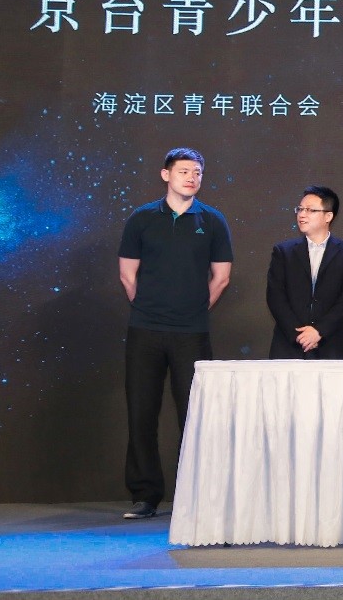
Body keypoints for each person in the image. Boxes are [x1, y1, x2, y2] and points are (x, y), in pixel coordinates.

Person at [116, 147, 232, 520]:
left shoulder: (212, 220)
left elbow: (221, 277)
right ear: (166, 175)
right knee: (141, 413)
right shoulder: (142, 218)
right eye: (184, 171)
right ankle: (145, 495)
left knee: (195, 415)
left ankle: (194, 496)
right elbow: (127, 274)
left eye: (197, 172)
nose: (191, 177)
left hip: (191, 333)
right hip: (145, 330)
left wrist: (193, 309)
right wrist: (149, 308)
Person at [266, 186, 343, 360]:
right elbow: (275, 297)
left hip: (332, 345)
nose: (302, 215)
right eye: (300, 209)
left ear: (328, 216)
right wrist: (300, 336)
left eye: (310, 210)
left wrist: (319, 331)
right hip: (289, 344)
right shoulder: (283, 252)